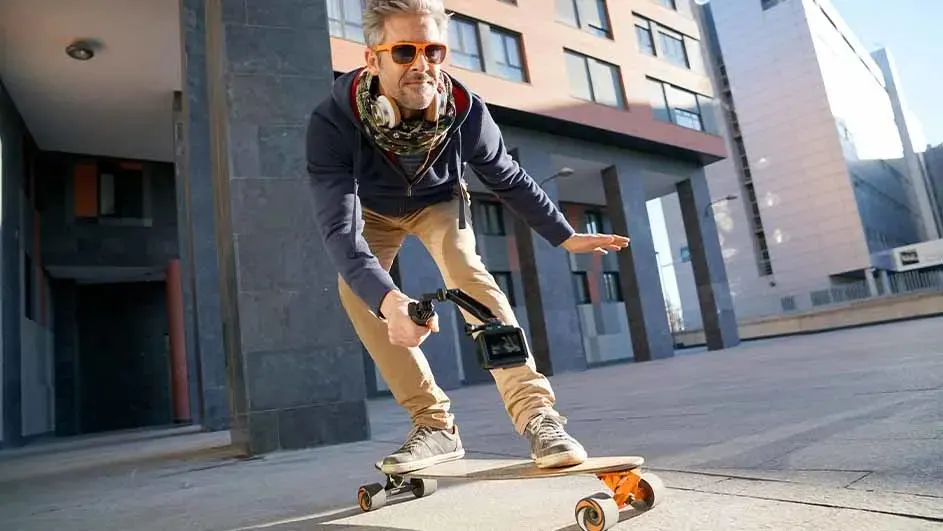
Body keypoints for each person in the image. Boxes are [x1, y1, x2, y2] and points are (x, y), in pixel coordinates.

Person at [305, 0, 629, 474]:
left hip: (438, 202)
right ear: (372, 58)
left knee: (466, 270)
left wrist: (563, 235)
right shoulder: (332, 122)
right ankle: (435, 425)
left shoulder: (465, 111)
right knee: (358, 292)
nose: (422, 66)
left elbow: (509, 178)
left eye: (433, 51)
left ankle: (538, 415)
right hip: (370, 212)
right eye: (404, 52)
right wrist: (390, 302)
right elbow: (341, 229)